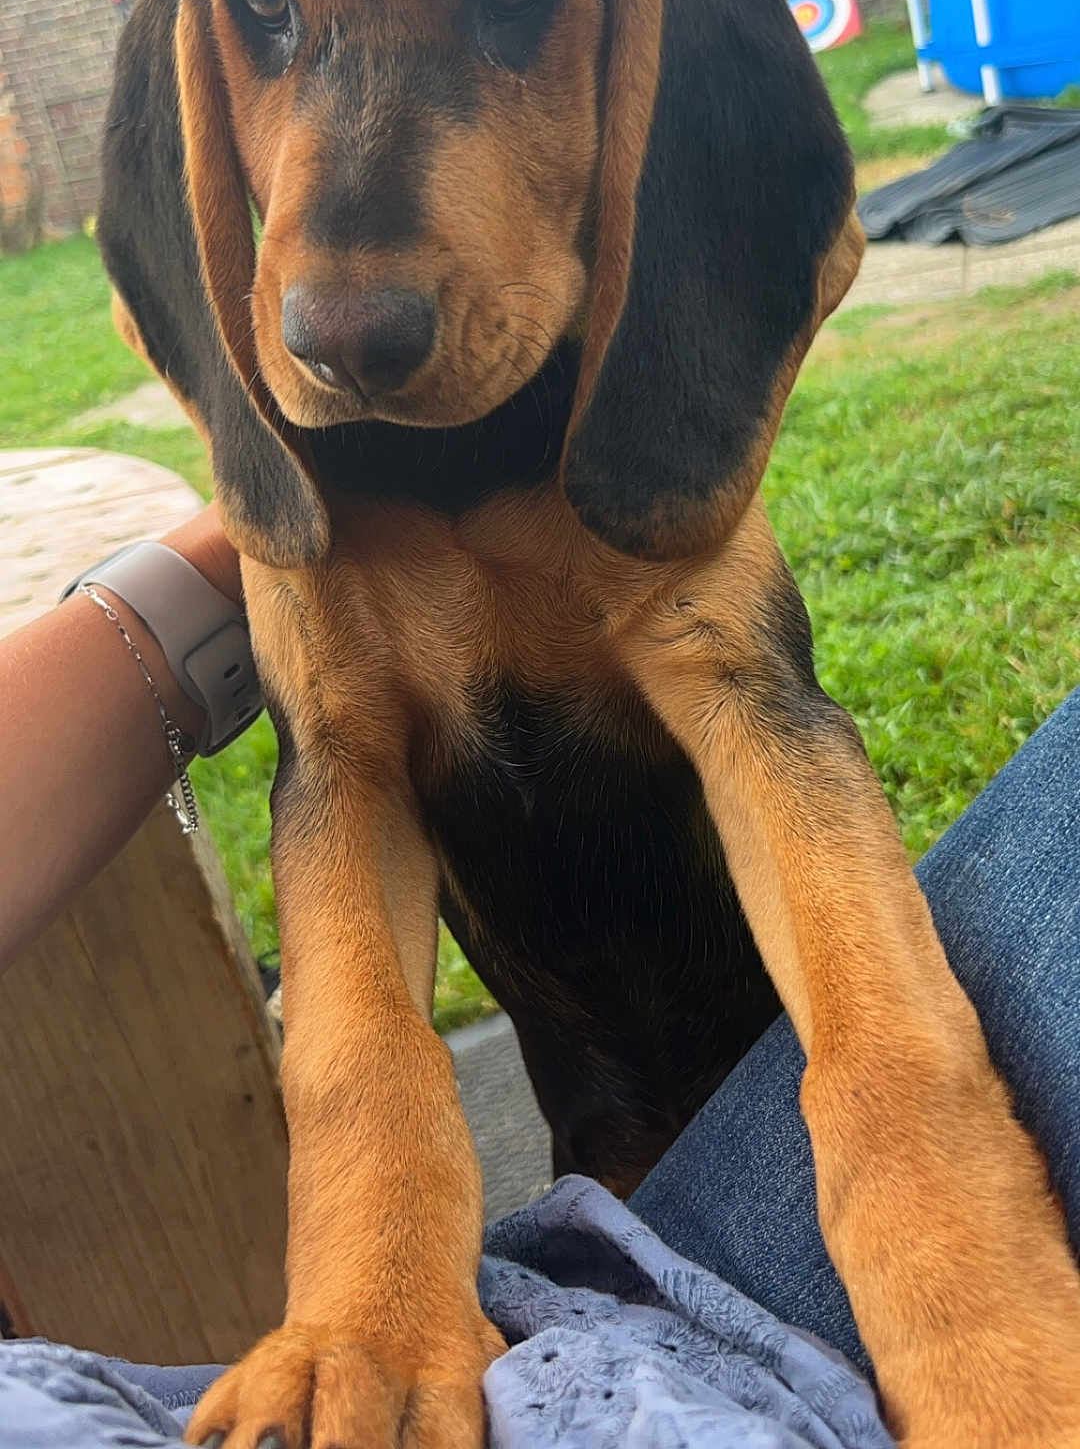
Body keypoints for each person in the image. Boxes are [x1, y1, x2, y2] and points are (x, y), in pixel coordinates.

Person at [1, 510, 1077, 1447]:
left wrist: (952, 1250)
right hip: (616, 1189)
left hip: (723, 1150)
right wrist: (369, 1288)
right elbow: (340, 773)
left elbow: (751, 700)